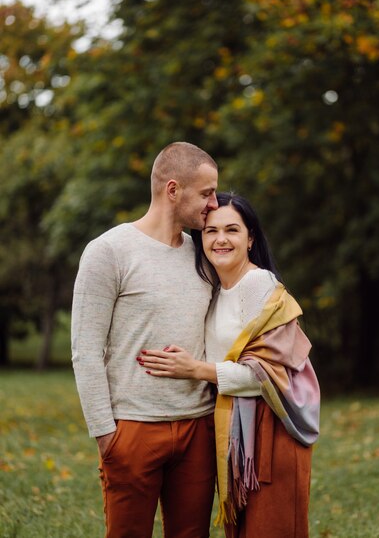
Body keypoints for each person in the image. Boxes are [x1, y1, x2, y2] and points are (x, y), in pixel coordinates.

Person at [138, 191, 321, 538]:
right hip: (237, 427)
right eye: (211, 231)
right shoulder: (217, 290)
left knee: (270, 529)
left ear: (250, 238)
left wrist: (196, 370)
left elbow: (269, 374)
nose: (220, 239)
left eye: (232, 230)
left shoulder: (257, 283)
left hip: (270, 429)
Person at [71, 142, 219, 538]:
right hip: (133, 430)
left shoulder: (204, 253)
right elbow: (85, 350)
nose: (215, 203)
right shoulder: (109, 251)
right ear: (173, 190)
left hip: (197, 429)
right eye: (206, 193)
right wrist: (106, 434)